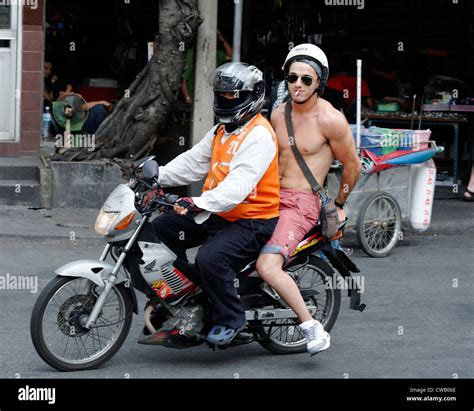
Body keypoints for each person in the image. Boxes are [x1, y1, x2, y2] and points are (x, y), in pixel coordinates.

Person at [153, 62, 280, 345]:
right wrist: (156, 176)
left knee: (210, 258)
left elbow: (237, 188)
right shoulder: (222, 131)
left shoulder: (258, 134)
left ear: (253, 95)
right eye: (221, 95)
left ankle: (230, 318)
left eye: (232, 96)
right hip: (220, 213)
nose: (225, 101)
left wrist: (198, 202)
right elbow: (194, 161)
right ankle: (191, 293)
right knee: (163, 228)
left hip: (252, 220)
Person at [256, 44, 361, 355]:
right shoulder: (276, 114)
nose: (297, 85)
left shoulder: (331, 119)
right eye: (292, 78)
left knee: (268, 264)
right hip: (267, 197)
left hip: (301, 202)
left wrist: (339, 206)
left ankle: (310, 325)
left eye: (306, 79)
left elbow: (352, 166)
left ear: (320, 83)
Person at [181, 30, 233, 104]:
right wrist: (187, 97)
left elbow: (231, 55)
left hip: (211, 93)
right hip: (195, 94)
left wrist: (222, 39)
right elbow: (183, 79)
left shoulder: (215, 53)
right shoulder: (191, 54)